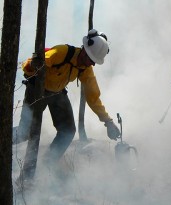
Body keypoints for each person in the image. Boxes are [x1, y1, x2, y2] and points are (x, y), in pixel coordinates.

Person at [13, 29, 120, 164]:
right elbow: (33, 64)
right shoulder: (62, 52)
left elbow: (93, 97)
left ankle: (47, 165)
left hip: (57, 92)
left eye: (94, 62)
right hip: (37, 89)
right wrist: (34, 65)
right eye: (91, 60)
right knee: (25, 132)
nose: (92, 64)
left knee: (67, 131)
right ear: (84, 50)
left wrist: (108, 122)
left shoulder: (86, 69)